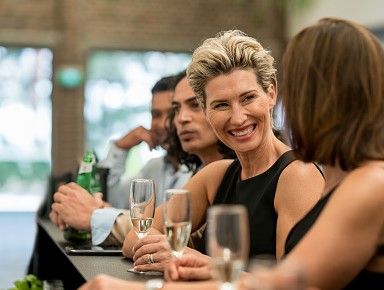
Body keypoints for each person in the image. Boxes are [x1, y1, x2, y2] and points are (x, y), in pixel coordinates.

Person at [165, 18, 384, 289]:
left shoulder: (369, 183)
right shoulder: (346, 177)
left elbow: (287, 285)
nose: (289, 103)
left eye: (299, 87)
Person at [122, 29, 324, 274]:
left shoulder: (297, 176)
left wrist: (197, 262)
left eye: (248, 98)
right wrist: (170, 252)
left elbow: (291, 283)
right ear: (206, 111)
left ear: (270, 94)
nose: (238, 118)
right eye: (221, 105)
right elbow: (134, 237)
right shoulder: (215, 176)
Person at [49, 71, 234, 246]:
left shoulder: (226, 170)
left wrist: (94, 215)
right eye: (176, 110)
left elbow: (181, 234)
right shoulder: (157, 166)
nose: (179, 120)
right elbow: (124, 206)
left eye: (195, 105)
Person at [98, 75, 192, 209]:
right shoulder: (154, 167)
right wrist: (120, 148)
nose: (161, 125)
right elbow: (113, 201)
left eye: (172, 113)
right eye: (156, 115)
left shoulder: (204, 166)